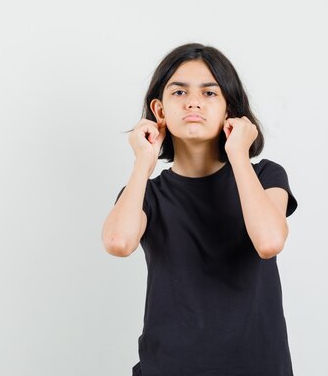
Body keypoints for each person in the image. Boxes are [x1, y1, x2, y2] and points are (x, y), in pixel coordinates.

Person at [101, 43, 299, 376]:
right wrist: (143, 163)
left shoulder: (265, 175)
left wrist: (239, 153)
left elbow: (269, 242)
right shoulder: (146, 195)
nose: (193, 101)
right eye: (179, 92)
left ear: (229, 111)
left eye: (210, 93)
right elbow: (118, 243)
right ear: (159, 110)